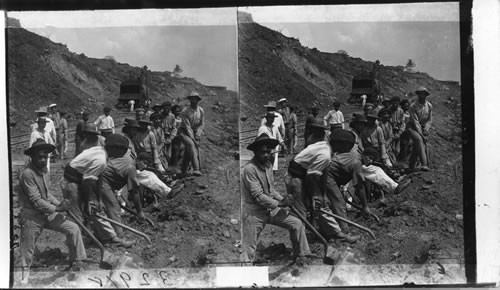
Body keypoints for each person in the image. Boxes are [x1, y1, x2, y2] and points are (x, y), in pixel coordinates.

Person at [18, 139, 86, 283]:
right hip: (32, 217)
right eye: (40, 157)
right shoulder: (27, 174)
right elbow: (36, 200)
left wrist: (60, 204)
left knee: (73, 228)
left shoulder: (44, 170)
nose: (43, 160)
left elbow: (47, 194)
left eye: (45, 157)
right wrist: (57, 208)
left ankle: (77, 262)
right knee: (27, 252)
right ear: (33, 157)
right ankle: (21, 281)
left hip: (46, 213)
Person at [286, 119, 360, 243]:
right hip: (296, 178)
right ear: (341, 144)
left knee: (321, 206)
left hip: (304, 176)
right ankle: (300, 249)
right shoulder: (325, 154)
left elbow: (320, 173)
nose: (348, 149)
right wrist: (317, 195)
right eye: (347, 146)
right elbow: (311, 176)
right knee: (301, 213)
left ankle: (332, 234)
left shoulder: (326, 147)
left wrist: (323, 194)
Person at [241, 133, 311, 264]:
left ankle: (301, 257)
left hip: (270, 209)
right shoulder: (249, 169)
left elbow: (270, 189)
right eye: (263, 152)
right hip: (254, 212)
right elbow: (259, 196)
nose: (266, 155)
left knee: (297, 223)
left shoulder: (267, 166)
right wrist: (280, 203)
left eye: (268, 152)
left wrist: (282, 199)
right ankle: (245, 270)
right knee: (248, 248)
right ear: (255, 152)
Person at [62, 124, 134, 248]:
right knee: (78, 215)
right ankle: (74, 246)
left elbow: (98, 178)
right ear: (114, 149)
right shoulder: (100, 158)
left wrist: (99, 199)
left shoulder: (103, 154)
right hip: (71, 183)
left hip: (81, 180)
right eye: (122, 150)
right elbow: (88, 181)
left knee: (97, 209)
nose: (123, 154)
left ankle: (106, 238)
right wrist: (92, 200)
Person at [100, 134, 145, 236]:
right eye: (144, 163)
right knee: (114, 208)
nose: (144, 167)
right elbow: (134, 192)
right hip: (103, 180)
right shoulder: (131, 168)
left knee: (109, 206)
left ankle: (106, 231)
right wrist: (139, 211)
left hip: (107, 178)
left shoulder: (129, 153)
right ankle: (118, 235)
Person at [178, 92, 204, 177]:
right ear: (189, 100)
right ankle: (196, 169)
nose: (193, 100)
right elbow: (187, 127)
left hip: (195, 132)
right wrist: (193, 139)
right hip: (184, 131)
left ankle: (183, 170)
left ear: (198, 100)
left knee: (188, 150)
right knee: (191, 144)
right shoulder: (185, 111)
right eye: (191, 99)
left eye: (195, 99)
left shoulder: (201, 110)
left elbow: (202, 124)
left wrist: (198, 135)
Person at [407, 87, 432, 171]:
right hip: (412, 126)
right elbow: (415, 121)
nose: (422, 96)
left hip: (422, 127)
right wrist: (421, 134)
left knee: (416, 146)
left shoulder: (429, 105)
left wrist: (426, 129)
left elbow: (429, 119)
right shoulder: (413, 106)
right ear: (418, 95)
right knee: (419, 139)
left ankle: (411, 165)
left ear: (426, 95)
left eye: (424, 94)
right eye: (420, 94)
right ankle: (424, 164)